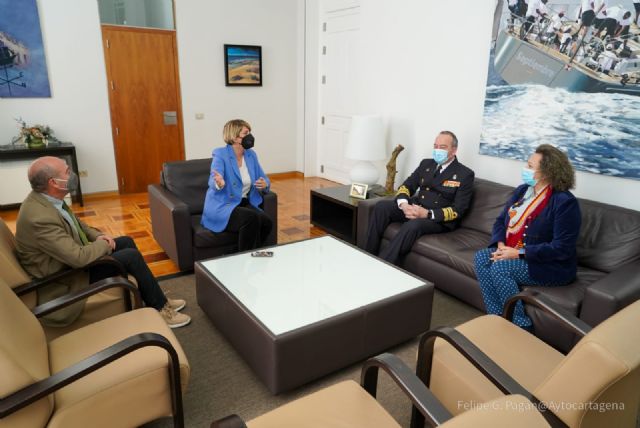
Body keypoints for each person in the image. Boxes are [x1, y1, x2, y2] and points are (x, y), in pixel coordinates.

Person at [15, 156, 191, 328]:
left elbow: (79, 225)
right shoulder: (39, 218)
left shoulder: (49, 200)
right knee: (131, 256)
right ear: (53, 182)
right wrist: (104, 244)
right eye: (67, 172)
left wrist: (99, 237)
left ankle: (156, 298)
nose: (73, 174)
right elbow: (78, 258)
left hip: (68, 262)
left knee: (125, 241)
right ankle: (160, 309)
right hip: (65, 278)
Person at [474, 144, 581, 330]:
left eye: (530, 166)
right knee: (481, 258)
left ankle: (520, 325)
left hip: (550, 265)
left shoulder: (565, 202)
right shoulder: (523, 191)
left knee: (500, 268)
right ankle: (496, 316)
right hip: (513, 250)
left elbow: (562, 248)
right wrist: (501, 245)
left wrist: (518, 253)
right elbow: (500, 221)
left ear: (547, 172)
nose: (525, 169)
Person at [365, 131, 474, 265]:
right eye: (435, 146)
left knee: (413, 225)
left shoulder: (465, 174)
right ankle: (367, 255)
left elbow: (459, 210)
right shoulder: (426, 164)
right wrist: (404, 205)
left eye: (443, 147)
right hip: (416, 207)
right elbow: (407, 186)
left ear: (454, 150)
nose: (437, 150)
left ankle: (382, 264)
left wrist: (427, 214)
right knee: (382, 207)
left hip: (437, 219)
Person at [201, 119, 272, 251]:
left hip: (243, 202)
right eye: (246, 133)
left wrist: (265, 184)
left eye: (250, 132)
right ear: (234, 137)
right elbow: (213, 179)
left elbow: (264, 178)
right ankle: (244, 258)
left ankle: (250, 254)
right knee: (251, 218)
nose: (250, 136)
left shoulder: (251, 155)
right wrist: (219, 183)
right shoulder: (220, 154)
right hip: (223, 205)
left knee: (267, 223)